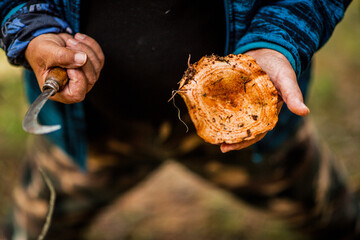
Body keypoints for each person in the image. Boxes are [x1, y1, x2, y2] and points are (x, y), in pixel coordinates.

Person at [0, 0, 358, 239]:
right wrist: (31, 27)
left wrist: (280, 39)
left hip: (246, 126)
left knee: (335, 215)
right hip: (93, 133)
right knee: (33, 231)